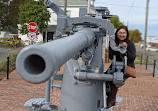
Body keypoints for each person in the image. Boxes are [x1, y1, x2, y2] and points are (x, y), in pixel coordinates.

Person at [106, 25, 136, 108]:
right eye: (120, 33)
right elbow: (111, 57)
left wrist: (124, 50)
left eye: (124, 33)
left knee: (115, 80)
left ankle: (111, 101)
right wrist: (112, 47)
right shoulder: (114, 42)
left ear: (126, 34)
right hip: (115, 65)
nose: (122, 35)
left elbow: (132, 58)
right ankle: (110, 97)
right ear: (117, 33)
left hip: (126, 66)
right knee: (105, 79)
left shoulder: (130, 44)